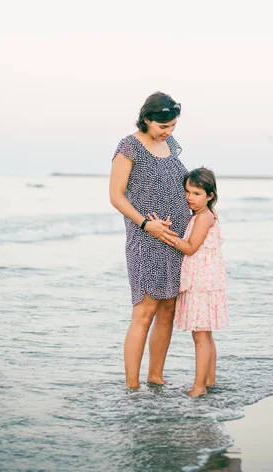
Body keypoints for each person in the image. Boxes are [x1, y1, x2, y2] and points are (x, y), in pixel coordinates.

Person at [109, 92, 191, 389]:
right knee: (145, 310)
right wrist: (146, 224)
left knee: (167, 309)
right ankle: (132, 385)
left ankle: (155, 376)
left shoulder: (169, 144)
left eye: (172, 127)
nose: (168, 132)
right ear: (146, 119)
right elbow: (116, 196)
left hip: (175, 240)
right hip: (146, 238)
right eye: (163, 127)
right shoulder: (129, 147)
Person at [147, 167, 229, 397]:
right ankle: (209, 380)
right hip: (206, 280)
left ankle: (199, 386)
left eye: (196, 193)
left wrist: (163, 233)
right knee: (206, 334)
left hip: (202, 284)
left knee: (200, 335)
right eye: (188, 192)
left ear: (210, 195)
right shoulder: (202, 216)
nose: (189, 198)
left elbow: (191, 248)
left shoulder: (204, 217)